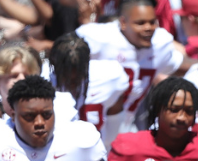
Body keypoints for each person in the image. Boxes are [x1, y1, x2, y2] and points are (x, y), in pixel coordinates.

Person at [77, 0, 185, 144]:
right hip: (88, 124)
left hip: (126, 126)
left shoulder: (160, 44)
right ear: (123, 22)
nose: (148, 28)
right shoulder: (99, 37)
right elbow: (63, 54)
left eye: (152, 22)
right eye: (140, 23)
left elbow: (179, 65)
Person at [108, 77, 198, 161]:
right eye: (174, 109)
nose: (181, 117)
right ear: (158, 109)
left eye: (189, 111)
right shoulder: (129, 148)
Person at [48, 33, 128, 135]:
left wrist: (109, 143)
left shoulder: (111, 76)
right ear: (54, 63)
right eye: (65, 76)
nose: (72, 82)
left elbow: (115, 111)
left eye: (78, 76)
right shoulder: (43, 78)